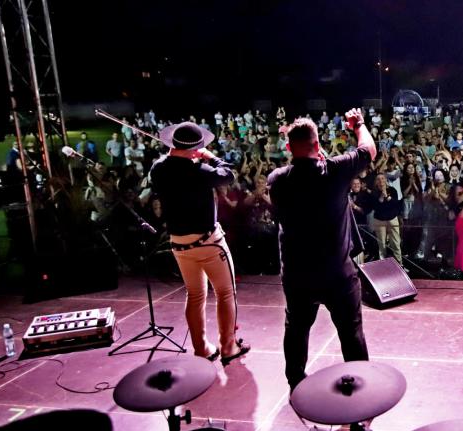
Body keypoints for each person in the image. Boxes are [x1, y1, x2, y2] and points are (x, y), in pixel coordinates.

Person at [268, 110, 376, 392]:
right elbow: (368, 149)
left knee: (296, 328)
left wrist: (308, 152)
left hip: (298, 274)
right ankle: (361, 385)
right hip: (336, 273)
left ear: (288, 148)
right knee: (351, 331)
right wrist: (358, 125)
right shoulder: (335, 171)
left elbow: (304, 173)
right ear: (318, 145)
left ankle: (295, 382)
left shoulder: (277, 180)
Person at [150, 121, 249, 364]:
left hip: (179, 244)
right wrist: (210, 157)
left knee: (195, 295)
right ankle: (228, 346)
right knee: (226, 293)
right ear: (195, 149)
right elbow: (228, 174)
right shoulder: (200, 171)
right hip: (208, 243)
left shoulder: (158, 169)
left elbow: (170, 164)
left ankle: (201, 348)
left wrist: (189, 156)